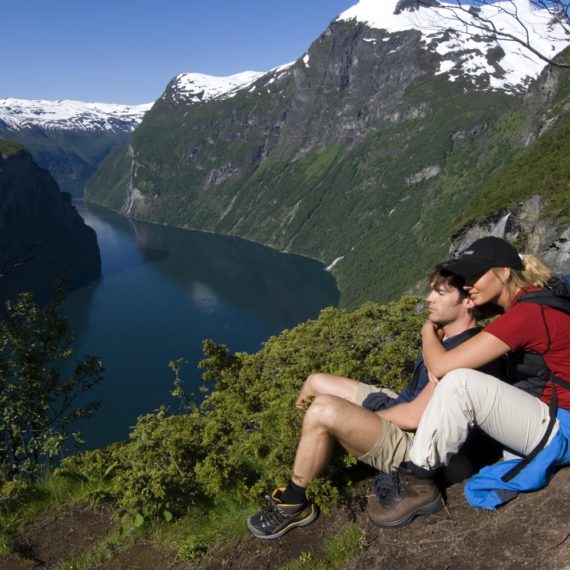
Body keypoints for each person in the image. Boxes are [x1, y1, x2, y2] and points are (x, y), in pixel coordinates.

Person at [246, 264, 503, 540]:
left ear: (467, 301)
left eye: (440, 294)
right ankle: (308, 454)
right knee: (315, 383)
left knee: (323, 409)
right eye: (432, 292)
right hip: (403, 408)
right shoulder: (446, 336)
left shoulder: (468, 353)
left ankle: (293, 503)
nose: (430, 299)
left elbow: (414, 417)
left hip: (418, 443)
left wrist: (355, 418)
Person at [367, 236, 570, 528]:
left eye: (476, 275)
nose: (468, 284)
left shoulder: (525, 315)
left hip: (561, 427)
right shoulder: (537, 299)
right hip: (556, 414)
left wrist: (428, 331)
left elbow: (440, 365)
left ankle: (418, 478)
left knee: (460, 382)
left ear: (503, 272)